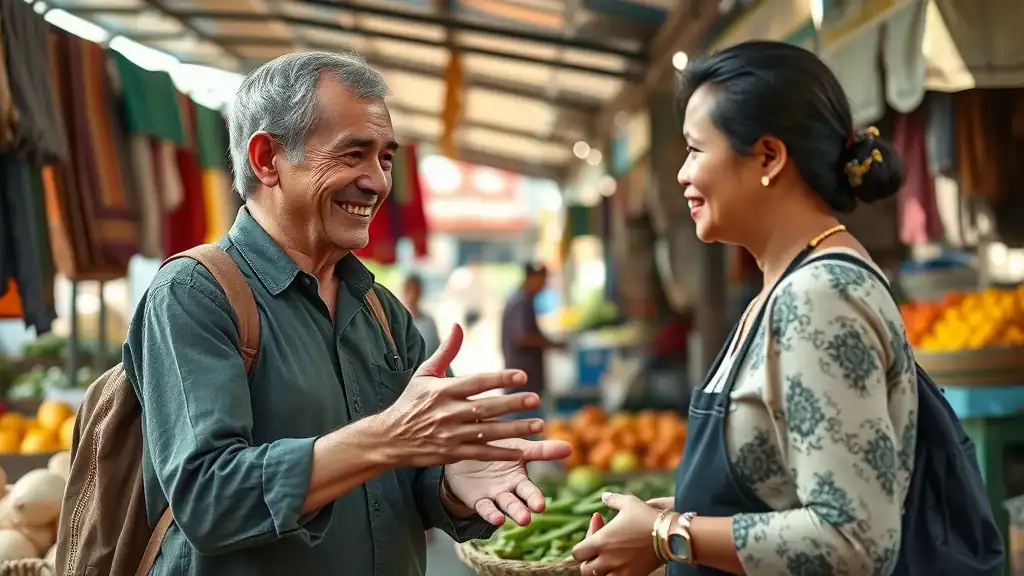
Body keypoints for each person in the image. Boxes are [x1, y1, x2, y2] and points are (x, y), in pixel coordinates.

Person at [123, 51, 570, 576]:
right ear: (268, 159)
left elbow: (407, 483)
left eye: (385, 158)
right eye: (353, 154)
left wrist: (454, 484)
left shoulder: (383, 312)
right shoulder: (194, 294)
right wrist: (385, 438)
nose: (378, 183)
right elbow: (210, 499)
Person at [572, 41, 917, 576]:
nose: (683, 175)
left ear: (768, 157)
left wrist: (669, 536)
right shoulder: (783, 287)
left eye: (695, 150)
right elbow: (782, 493)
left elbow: (852, 537)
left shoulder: (819, 297)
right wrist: (682, 515)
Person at [500, 263, 563, 419]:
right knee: (523, 423)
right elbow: (524, 337)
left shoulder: (523, 299)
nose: (544, 284)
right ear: (533, 277)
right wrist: (551, 344)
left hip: (524, 376)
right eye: (542, 279)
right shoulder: (521, 301)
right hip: (522, 376)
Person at [402, 272, 441, 356]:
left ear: (420, 293)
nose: (412, 295)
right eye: (408, 290)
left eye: (415, 290)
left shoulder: (429, 323)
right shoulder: (395, 321)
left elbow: (437, 351)